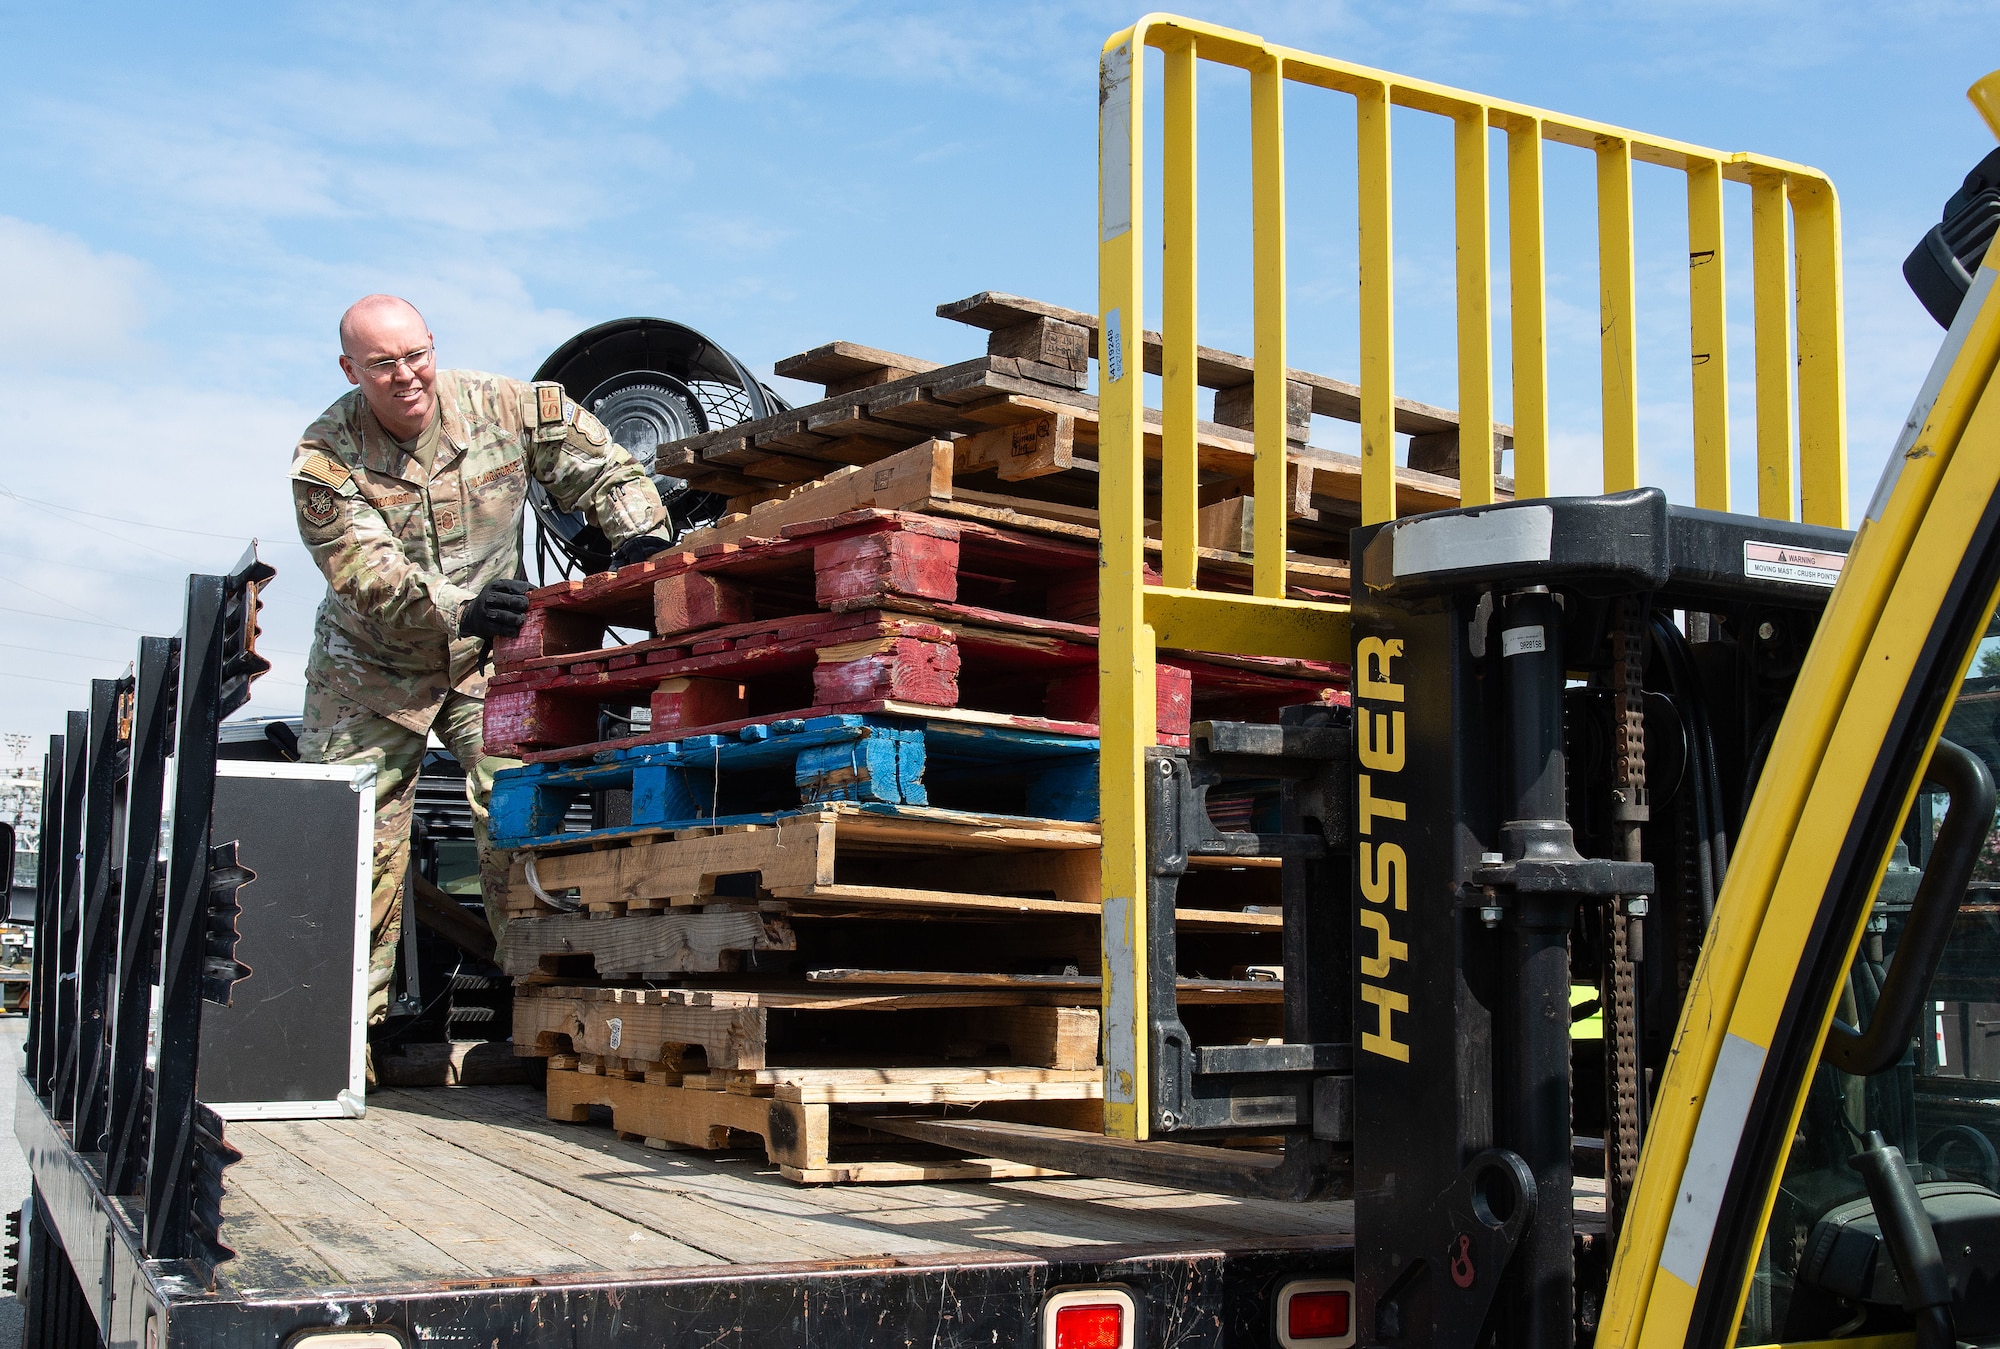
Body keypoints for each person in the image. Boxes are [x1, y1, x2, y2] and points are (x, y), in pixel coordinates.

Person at [291, 294, 671, 1023]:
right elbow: (368, 576)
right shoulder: (323, 460)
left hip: (480, 663)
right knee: (352, 853)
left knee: (518, 817)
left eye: (415, 355)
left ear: (432, 345)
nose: (406, 376)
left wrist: (639, 540)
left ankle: (541, 1015)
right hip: (370, 675)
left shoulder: (505, 407)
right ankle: (337, 1043)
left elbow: (605, 468)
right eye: (382, 364)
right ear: (350, 369)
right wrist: (461, 605)